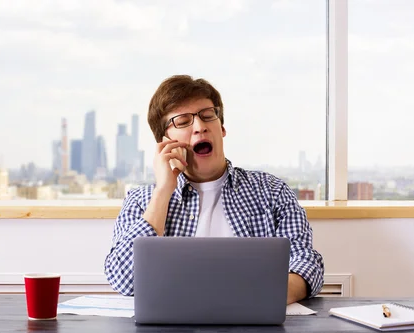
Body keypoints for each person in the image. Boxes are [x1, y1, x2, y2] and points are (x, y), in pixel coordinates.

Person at [103, 75, 324, 304]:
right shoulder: (141, 200)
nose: (200, 127)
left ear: (222, 128)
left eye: (208, 116)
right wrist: (163, 191)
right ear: (165, 141)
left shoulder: (272, 191)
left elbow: (305, 261)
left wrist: (262, 298)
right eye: (182, 121)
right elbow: (123, 279)